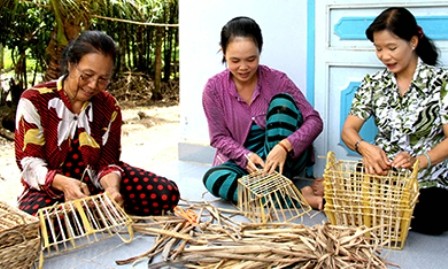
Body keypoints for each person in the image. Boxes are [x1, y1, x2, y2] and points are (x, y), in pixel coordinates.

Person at [15, 30, 180, 217]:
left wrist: (112, 189)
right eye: (86, 75)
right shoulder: (35, 100)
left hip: (95, 181)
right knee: (45, 219)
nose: (93, 85)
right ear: (71, 65)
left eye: (103, 79)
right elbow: (29, 162)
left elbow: (108, 161)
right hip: (51, 184)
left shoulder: (108, 106)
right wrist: (65, 183)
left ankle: (96, 209)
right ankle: (92, 211)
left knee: (166, 194)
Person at [341, 7, 448, 235]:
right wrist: (365, 148)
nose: (384, 56)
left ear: (413, 41)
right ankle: (386, 213)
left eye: (391, 48)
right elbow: (348, 130)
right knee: (348, 189)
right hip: (383, 176)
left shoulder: (442, 83)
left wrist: (419, 161)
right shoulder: (374, 83)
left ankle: (378, 213)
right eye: (378, 49)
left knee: (435, 215)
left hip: (426, 181)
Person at [202, 16, 324, 209]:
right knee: (213, 179)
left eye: (251, 59)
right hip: (249, 163)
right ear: (223, 52)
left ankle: (273, 186)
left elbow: (314, 121)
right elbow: (218, 137)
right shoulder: (213, 88)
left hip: (283, 160)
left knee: (282, 103)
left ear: (260, 51)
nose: (243, 67)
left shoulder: (277, 80)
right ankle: (298, 198)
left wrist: (285, 146)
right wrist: (246, 157)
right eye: (234, 60)